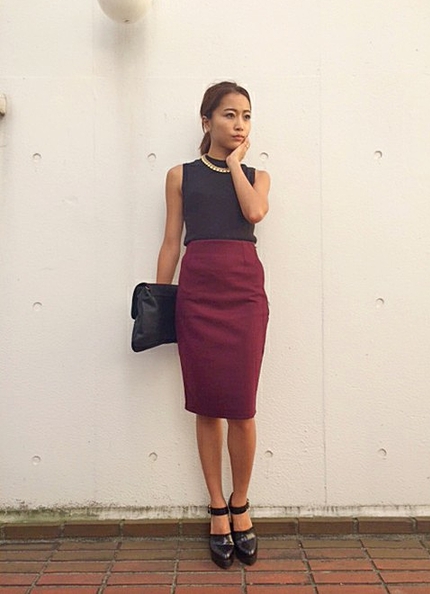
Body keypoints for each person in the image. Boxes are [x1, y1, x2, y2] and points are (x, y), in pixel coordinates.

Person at [156, 81, 270, 569]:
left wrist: (235, 165)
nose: (239, 123)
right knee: (206, 405)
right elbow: (170, 242)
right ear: (206, 121)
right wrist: (161, 301)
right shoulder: (179, 176)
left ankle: (241, 503)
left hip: (244, 293)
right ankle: (217, 508)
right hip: (198, 293)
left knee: (242, 408)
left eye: (246, 115)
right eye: (228, 114)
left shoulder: (258, 176)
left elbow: (254, 211)